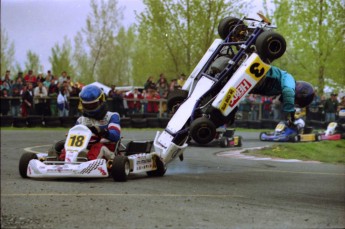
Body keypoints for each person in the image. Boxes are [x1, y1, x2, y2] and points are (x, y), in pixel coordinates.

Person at [49, 85, 121, 161]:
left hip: (107, 152)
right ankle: (62, 160)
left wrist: (102, 131)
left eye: (92, 105)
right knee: (70, 146)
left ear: (101, 101)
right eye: (87, 105)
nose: (90, 107)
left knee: (98, 147)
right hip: (85, 150)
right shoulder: (81, 120)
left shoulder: (112, 116)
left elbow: (115, 135)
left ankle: (87, 162)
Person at [250, 66, 314, 125]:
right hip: (258, 72)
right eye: (295, 101)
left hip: (252, 84)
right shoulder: (289, 81)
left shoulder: (280, 91)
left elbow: (278, 101)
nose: (294, 103)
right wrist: (292, 115)